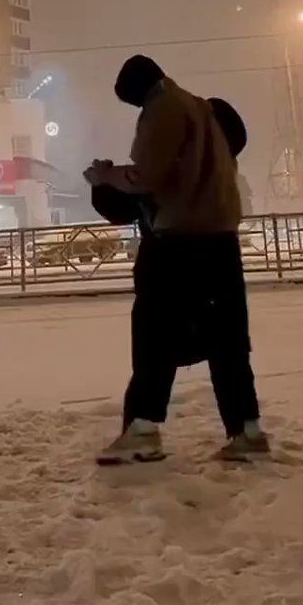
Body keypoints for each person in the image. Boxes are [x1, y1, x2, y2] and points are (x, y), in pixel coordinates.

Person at [84, 55, 267, 465]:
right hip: (221, 245)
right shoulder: (210, 133)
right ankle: (247, 432)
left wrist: (104, 179)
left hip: (174, 248)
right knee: (229, 344)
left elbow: (142, 185)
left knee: (154, 339)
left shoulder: (168, 117)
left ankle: (142, 431)